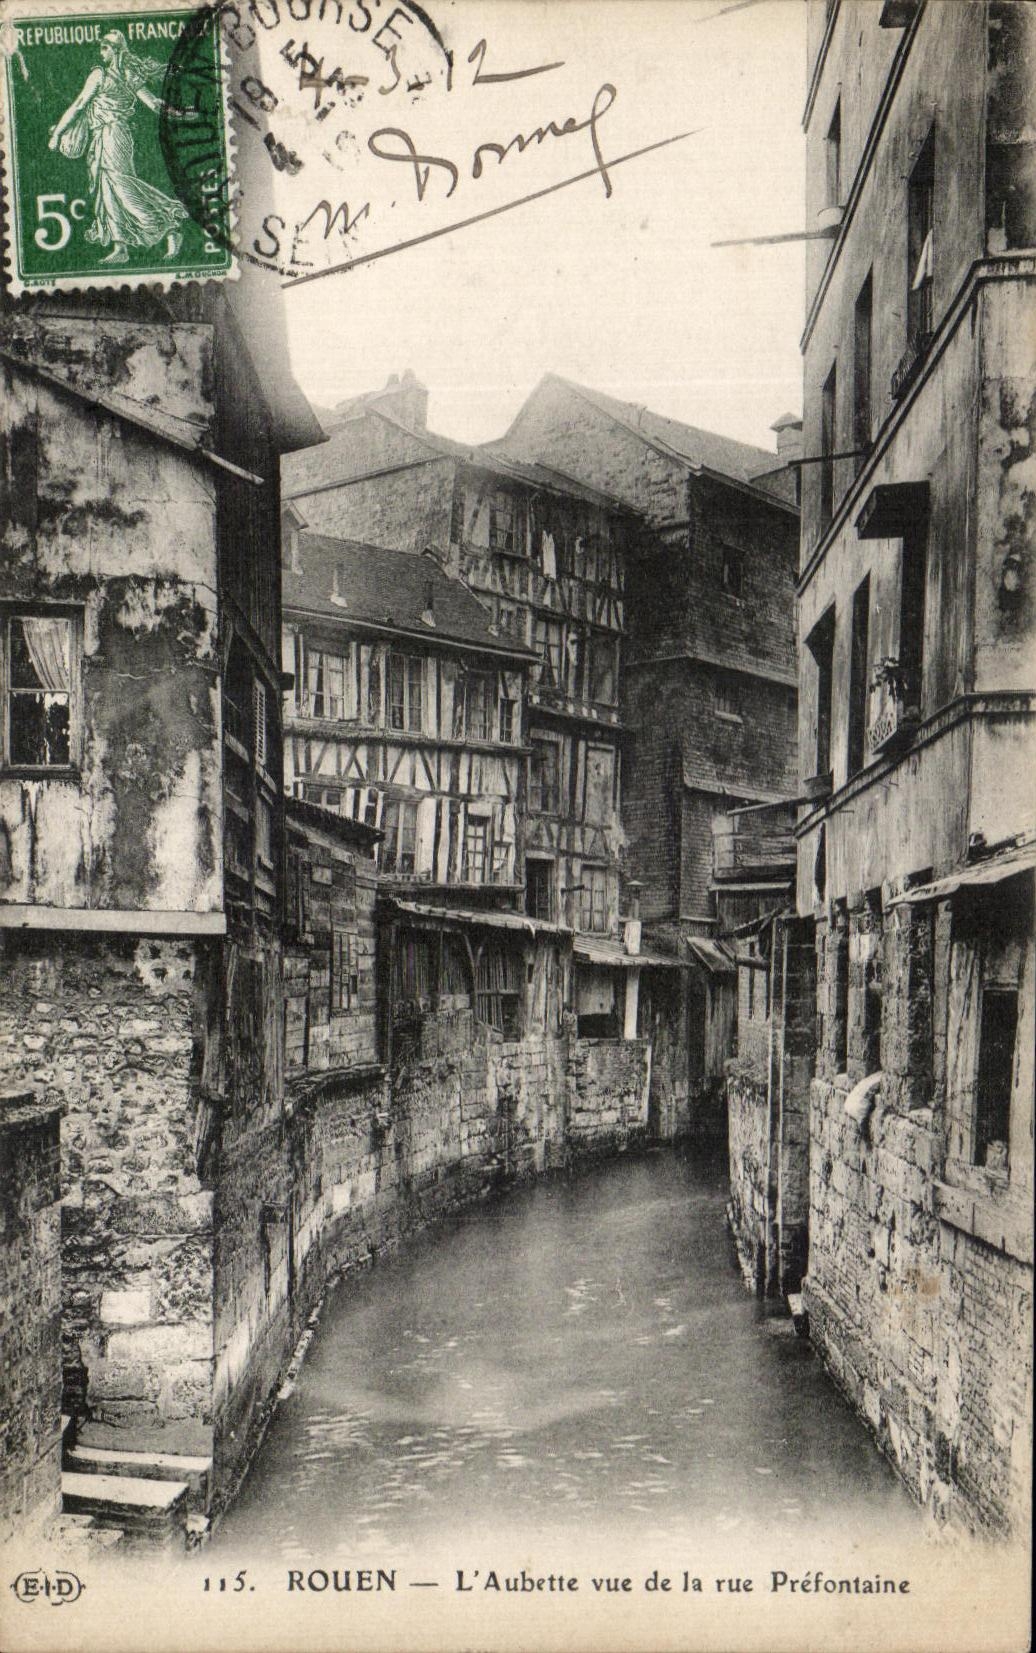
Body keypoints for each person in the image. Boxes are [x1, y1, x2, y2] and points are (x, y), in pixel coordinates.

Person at [47, 31, 195, 264]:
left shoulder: (103, 74)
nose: (101, 52)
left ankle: (168, 226)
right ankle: (120, 247)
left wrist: (57, 134)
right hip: (103, 136)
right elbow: (153, 104)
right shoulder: (126, 74)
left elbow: (78, 105)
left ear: (115, 49)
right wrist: (183, 114)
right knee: (106, 188)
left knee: (121, 184)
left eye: (105, 47)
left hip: (113, 135)